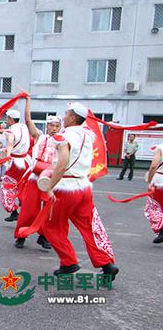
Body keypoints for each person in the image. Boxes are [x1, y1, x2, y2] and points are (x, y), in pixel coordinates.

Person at [42, 102, 119, 279]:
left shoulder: (65, 136)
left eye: (67, 113)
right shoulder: (87, 134)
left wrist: (49, 187)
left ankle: (68, 263)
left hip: (66, 187)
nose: (64, 116)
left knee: (52, 226)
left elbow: (62, 164)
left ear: (74, 117)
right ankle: (106, 263)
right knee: (89, 227)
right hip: (83, 187)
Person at [13, 97, 57, 249]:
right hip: (34, 178)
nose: (54, 128)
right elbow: (28, 119)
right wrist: (28, 101)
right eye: (52, 125)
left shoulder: (63, 142)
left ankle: (44, 236)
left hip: (50, 180)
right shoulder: (40, 137)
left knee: (48, 211)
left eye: (57, 126)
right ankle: (21, 236)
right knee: (28, 209)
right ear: (47, 126)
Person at [0, 109, 30, 222]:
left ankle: (13, 211)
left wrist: (7, 157)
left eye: (7, 118)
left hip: (14, 163)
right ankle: (26, 210)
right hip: (26, 161)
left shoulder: (10, 131)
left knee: (7, 187)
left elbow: (10, 143)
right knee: (23, 186)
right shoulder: (24, 128)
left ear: (10, 119)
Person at [144, 142, 163, 244]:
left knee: (155, 206)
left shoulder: (160, 147)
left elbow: (153, 165)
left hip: (160, 181)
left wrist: (150, 180)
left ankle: (162, 229)